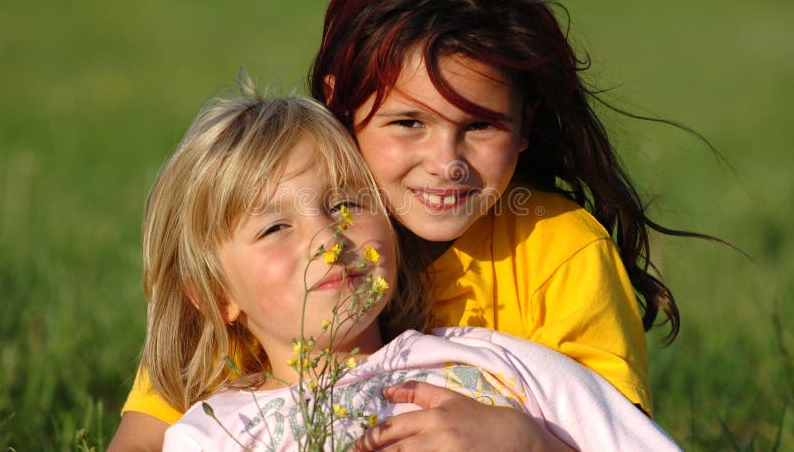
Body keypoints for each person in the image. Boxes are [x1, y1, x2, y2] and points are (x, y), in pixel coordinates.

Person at [109, 0, 690, 451]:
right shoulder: (265, 267)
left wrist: (526, 443)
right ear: (344, 105)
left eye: (480, 125)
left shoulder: (557, 251)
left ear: (523, 125)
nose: (446, 165)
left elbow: (615, 432)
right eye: (408, 123)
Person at [130, 87, 680, 451]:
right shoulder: (214, 433)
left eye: (346, 205)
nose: (327, 239)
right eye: (275, 228)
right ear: (215, 295)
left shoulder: (492, 360)